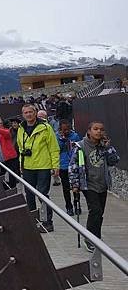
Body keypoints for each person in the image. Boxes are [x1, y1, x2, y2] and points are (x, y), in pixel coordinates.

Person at [68, 121, 120, 252]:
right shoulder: (80, 146)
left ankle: (97, 237)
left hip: (102, 183)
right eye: (95, 129)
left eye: (101, 129)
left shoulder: (104, 146)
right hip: (88, 184)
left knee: (100, 213)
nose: (98, 132)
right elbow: (73, 165)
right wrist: (74, 184)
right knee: (95, 210)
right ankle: (90, 238)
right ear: (89, 131)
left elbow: (114, 160)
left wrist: (108, 147)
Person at [17, 104, 60, 233]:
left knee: (42, 194)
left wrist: (55, 165)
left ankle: (47, 222)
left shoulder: (46, 128)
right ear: (23, 115)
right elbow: (20, 147)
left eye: (31, 112)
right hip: (27, 166)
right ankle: (33, 220)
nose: (28, 114)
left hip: (43, 166)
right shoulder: (21, 128)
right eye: (26, 113)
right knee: (29, 195)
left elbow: (53, 147)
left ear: (35, 113)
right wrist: (21, 163)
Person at [56, 119, 82, 215]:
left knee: (76, 186)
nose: (66, 132)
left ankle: (77, 205)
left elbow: (79, 148)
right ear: (60, 129)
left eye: (67, 129)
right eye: (64, 130)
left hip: (74, 164)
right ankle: (69, 206)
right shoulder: (57, 137)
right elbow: (56, 149)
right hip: (63, 165)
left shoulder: (75, 136)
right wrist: (62, 141)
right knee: (66, 187)